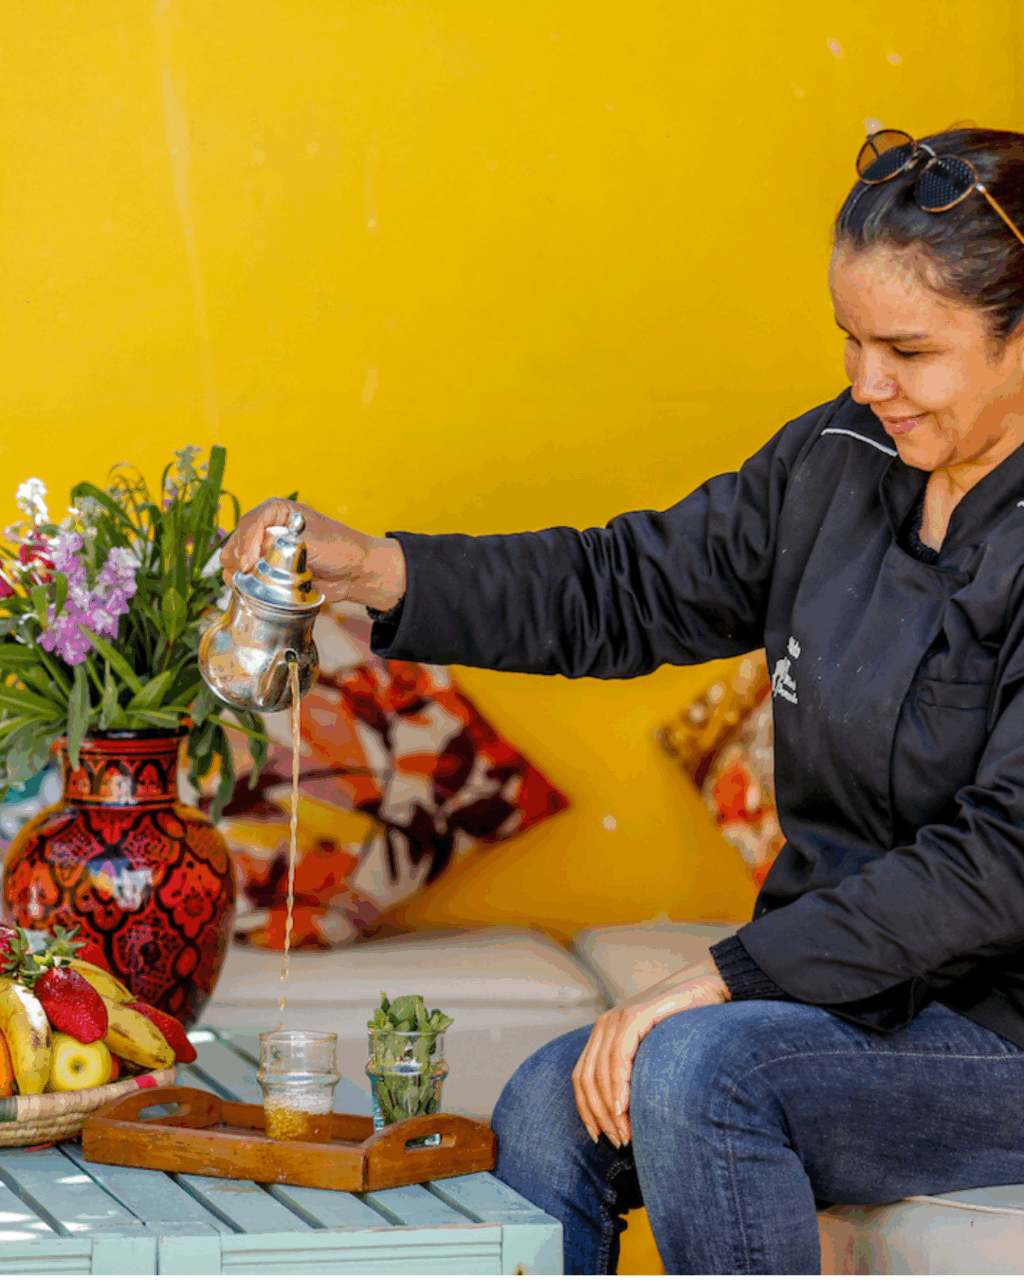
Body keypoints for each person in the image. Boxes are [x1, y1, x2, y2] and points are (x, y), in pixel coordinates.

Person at [222, 127, 1024, 1274]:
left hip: (998, 1032)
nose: (865, 382)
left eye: (908, 349)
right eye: (848, 339)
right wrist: (379, 570)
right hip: (846, 995)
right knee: (553, 1101)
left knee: (701, 1070)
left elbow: (998, 862)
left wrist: (727, 973)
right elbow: (626, 585)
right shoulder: (838, 456)